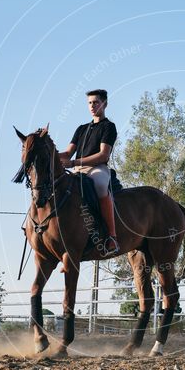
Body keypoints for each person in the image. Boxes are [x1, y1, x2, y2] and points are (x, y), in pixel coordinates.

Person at [59, 89, 119, 254]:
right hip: (77, 170)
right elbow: (67, 153)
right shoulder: (81, 128)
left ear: (104, 104)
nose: (92, 106)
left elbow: (103, 155)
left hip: (97, 169)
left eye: (96, 102)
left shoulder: (109, 127)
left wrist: (73, 162)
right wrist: (47, 153)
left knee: (100, 186)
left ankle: (112, 237)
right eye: (90, 103)